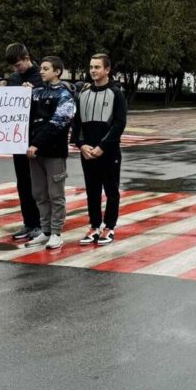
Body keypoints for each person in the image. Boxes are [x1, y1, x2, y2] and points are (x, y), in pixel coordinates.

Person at [72, 53, 128, 246]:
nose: (93, 70)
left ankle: (109, 227)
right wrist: (81, 145)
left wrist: (102, 146)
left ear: (107, 70)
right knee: (92, 191)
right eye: (91, 67)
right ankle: (94, 226)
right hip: (88, 152)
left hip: (108, 152)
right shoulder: (83, 94)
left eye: (97, 67)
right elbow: (77, 124)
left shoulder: (116, 93)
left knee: (111, 191)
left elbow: (119, 124)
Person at [25, 56, 77, 250]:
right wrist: (23, 93)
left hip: (53, 152)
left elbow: (58, 122)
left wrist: (36, 144)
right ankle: (45, 230)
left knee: (55, 194)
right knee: (39, 193)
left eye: (46, 69)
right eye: (41, 68)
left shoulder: (65, 94)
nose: (41, 71)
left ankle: (56, 233)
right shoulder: (36, 92)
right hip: (34, 152)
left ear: (57, 71)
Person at [4, 43, 44, 241]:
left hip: (36, 137)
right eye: (13, 66)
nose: (16, 69)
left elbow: (48, 104)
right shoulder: (13, 79)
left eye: (18, 65)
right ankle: (29, 222)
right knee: (23, 182)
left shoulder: (41, 76)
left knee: (38, 182)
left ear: (27, 58)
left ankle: (42, 223)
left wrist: (33, 94)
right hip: (18, 138)